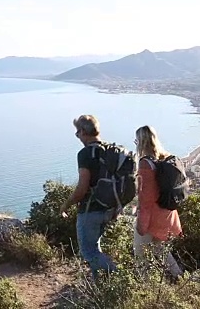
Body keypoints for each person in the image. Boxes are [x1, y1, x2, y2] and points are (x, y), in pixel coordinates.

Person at [59, 114, 117, 280]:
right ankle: (99, 283)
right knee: (95, 247)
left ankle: (120, 277)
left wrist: (65, 205)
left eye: (77, 133)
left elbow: (82, 188)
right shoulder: (110, 150)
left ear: (84, 131)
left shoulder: (85, 154)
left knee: (89, 251)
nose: (77, 137)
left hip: (91, 210)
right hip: (110, 208)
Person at [133, 125, 184, 279]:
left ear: (141, 142)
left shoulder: (145, 164)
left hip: (152, 215)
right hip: (167, 213)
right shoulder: (165, 157)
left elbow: (146, 199)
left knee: (140, 253)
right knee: (159, 249)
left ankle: (145, 288)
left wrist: (142, 224)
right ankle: (179, 276)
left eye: (136, 140)